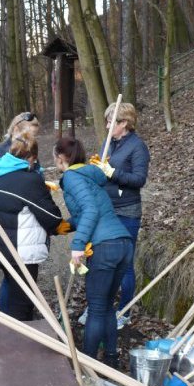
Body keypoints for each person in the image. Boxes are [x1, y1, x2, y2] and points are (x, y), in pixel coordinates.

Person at [54, 136, 133, 368]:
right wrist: (66, 225)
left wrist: (78, 245)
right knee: (107, 306)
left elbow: (89, 209)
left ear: (61, 158)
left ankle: (87, 364)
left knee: (97, 308)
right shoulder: (90, 175)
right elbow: (90, 211)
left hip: (105, 247)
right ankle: (111, 359)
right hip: (122, 243)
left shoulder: (71, 176)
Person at [86, 102, 149, 330]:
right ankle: (96, 307)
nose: (106, 125)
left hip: (127, 211)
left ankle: (123, 311)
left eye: (111, 122)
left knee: (125, 264)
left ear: (124, 123)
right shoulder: (108, 144)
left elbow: (139, 179)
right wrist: (96, 169)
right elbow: (102, 172)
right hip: (106, 208)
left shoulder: (137, 147)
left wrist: (113, 173)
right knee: (98, 258)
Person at [0, 132, 62, 321]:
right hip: (21, 251)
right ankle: (19, 343)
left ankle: (21, 335)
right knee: (22, 302)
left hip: (1, 248)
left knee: (17, 294)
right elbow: (52, 216)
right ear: (32, 158)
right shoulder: (29, 180)